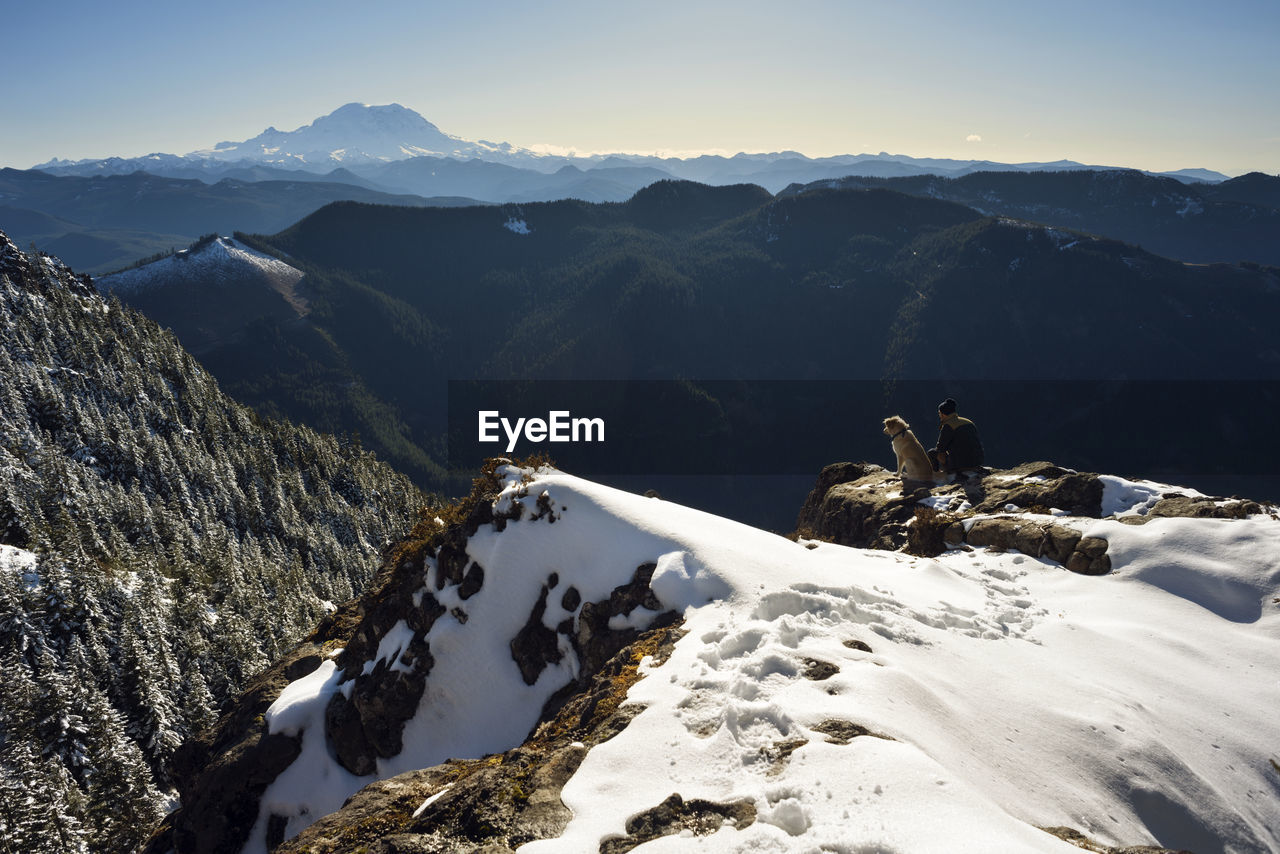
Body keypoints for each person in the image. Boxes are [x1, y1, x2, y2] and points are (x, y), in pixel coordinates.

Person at [928, 398, 984, 478]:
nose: (939, 416)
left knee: (932, 453)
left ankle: (937, 475)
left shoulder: (948, 425)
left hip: (959, 464)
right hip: (977, 461)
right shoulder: (968, 422)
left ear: (943, 414)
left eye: (939, 414)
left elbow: (941, 447)